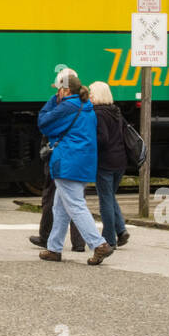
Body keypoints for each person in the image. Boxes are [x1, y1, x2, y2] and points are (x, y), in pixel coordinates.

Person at [37, 69, 112, 264]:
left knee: (76, 205)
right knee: (60, 207)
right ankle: (54, 248)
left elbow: (44, 123)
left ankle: (99, 244)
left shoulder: (66, 107)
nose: (56, 93)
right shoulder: (87, 106)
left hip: (67, 161)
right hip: (84, 161)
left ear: (65, 90)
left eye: (58, 90)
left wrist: (53, 101)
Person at [89, 81, 130, 249]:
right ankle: (121, 230)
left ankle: (109, 239)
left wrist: (89, 142)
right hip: (120, 161)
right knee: (110, 196)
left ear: (98, 95)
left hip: (105, 162)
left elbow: (102, 139)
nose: (89, 95)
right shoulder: (116, 112)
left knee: (105, 200)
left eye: (91, 92)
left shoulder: (98, 114)